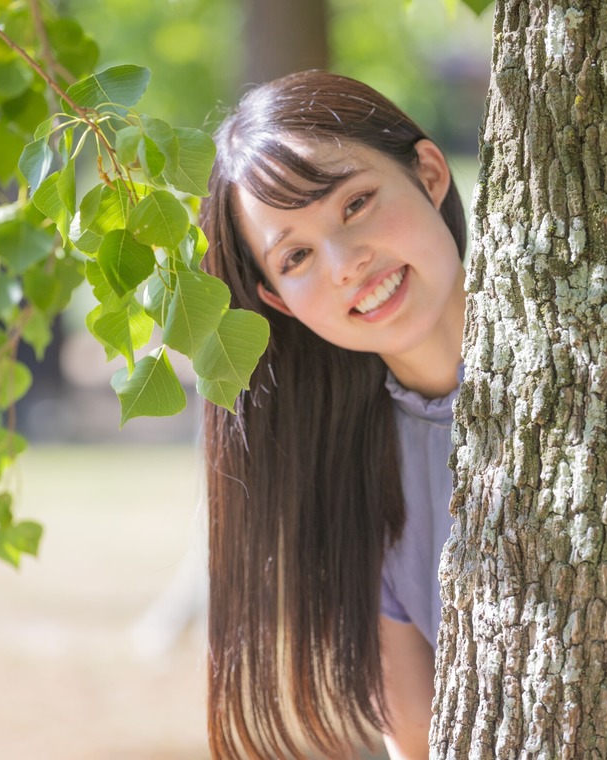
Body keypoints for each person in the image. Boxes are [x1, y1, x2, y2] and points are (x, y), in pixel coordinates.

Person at [199, 70, 469, 760]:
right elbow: (420, 740)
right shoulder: (354, 479)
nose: (346, 264)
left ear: (429, 174)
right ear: (280, 301)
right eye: (296, 255)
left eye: (355, 204)